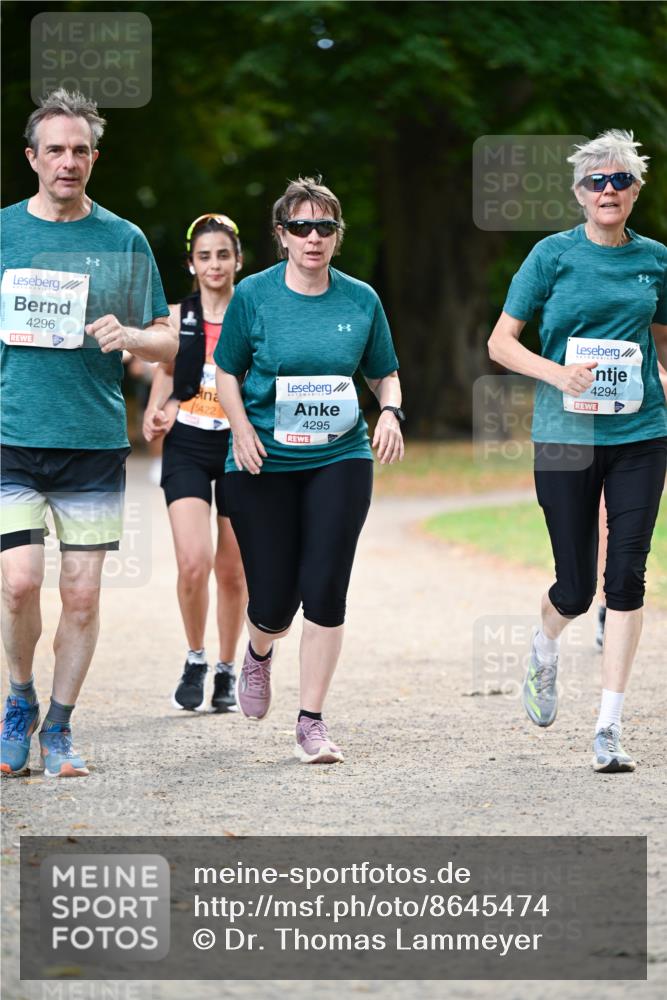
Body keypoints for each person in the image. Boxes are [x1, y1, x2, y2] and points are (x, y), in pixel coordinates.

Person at [0, 90, 176, 777]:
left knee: (81, 593)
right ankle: (19, 699)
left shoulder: (122, 239)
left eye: (80, 150)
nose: (68, 161)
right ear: (32, 159)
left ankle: (62, 727)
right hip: (12, 434)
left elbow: (167, 340)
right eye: (55, 150)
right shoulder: (4, 232)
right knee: (17, 584)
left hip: (92, 440)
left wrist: (131, 334)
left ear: (94, 159)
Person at [488, 130, 667, 773]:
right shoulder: (551, 256)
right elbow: (501, 343)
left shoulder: (657, 260)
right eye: (597, 182)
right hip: (565, 434)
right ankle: (544, 645)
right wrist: (557, 373)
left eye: (621, 180)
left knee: (626, 578)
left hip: (641, 435)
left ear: (637, 190)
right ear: (579, 193)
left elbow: (662, 341)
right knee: (575, 586)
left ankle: (609, 727)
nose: (609, 191)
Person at [214, 177, 404, 764]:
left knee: (325, 584)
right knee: (273, 600)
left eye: (325, 227)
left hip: (339, 458)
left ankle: (312, 722)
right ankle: (259, 649)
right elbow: (226, 372)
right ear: (282, 236)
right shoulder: (254, 296)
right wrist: (241, 429)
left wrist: (391, 410)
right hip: (263, 459)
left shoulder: (361, 300)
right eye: (301, 227)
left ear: (337, 236)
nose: (313, 237)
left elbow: (382, 372)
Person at [143, 214, 247, 712]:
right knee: (193, 562)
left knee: (232, 571)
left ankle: (228, 669)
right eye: (204, 256)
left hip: (238, 448)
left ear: (238, 260)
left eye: (223, 255)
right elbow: (164, 370)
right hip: (186, 443)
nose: (214, 264)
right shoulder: (176, 315)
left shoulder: (252, 314)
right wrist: (155, 409)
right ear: (191, 263)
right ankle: (195, 657)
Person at [594, 361, 667, 649]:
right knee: (610, 515)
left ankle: (610, 603)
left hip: (645, 425)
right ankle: (606, 603)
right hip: (605, 428)